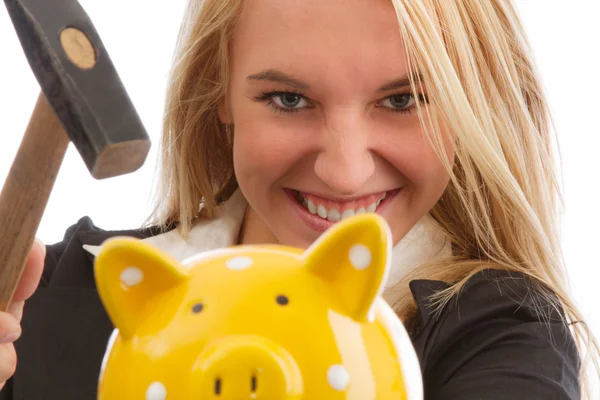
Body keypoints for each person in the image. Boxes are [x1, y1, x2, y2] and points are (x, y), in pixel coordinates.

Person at [1, 0, 598, 398]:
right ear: (220, 95)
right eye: (288, 99)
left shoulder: (503, 334)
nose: (344, 171)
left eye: (402, 100)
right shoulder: (45, 295)